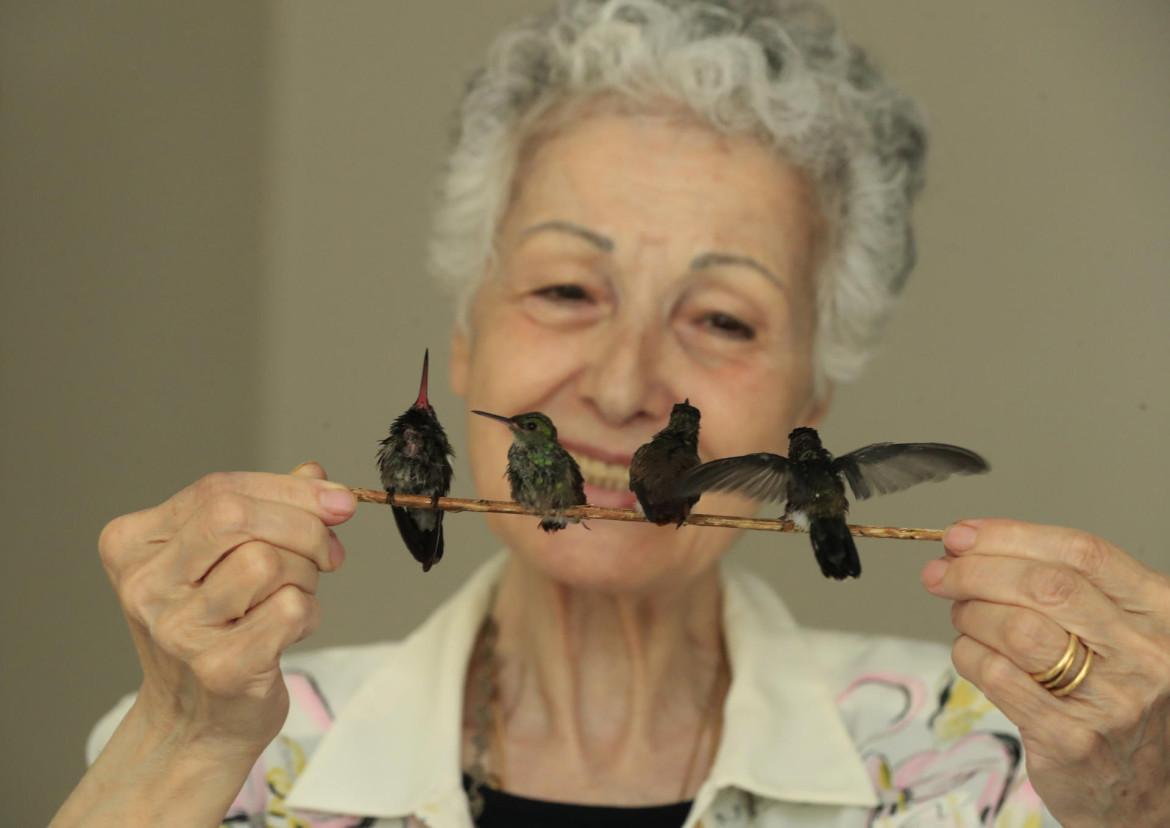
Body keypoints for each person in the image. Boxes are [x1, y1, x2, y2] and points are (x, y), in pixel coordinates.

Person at [53, 1, 1170, 826]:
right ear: (470, 335)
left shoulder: (1001, 772)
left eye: (724, 319)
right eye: (566, 291)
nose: (627, 384)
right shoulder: (232, 766)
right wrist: (181, 746)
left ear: (809, 397)